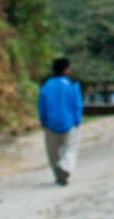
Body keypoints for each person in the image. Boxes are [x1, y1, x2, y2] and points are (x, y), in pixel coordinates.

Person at [37, 57, 83, 186]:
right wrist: (77, 120)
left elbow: (41, 106)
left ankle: (58, 175)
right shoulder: (72, 84)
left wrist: (43, 120)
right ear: (66, 69)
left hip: (50, 124)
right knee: (71, 149)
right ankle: (65, 166)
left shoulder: (46, 86)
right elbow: (77, 105)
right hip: (69, 123)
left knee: (53, 153)